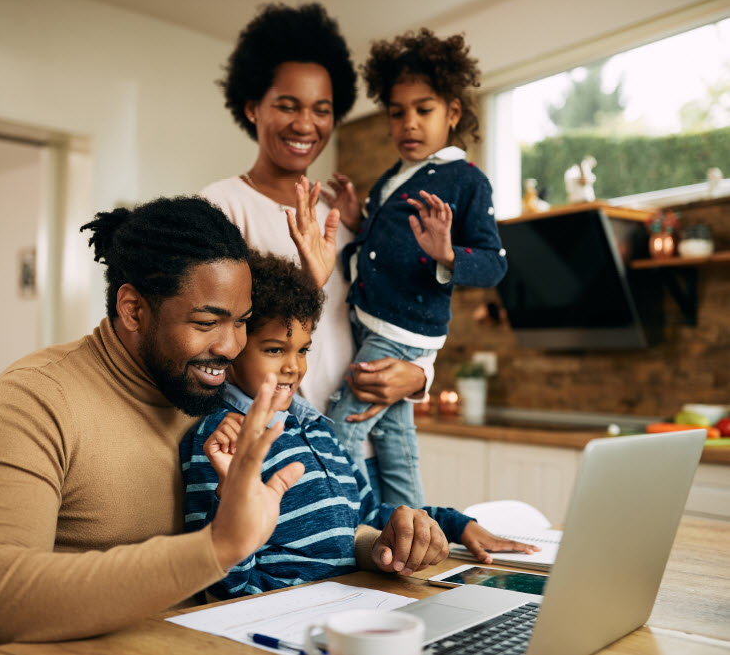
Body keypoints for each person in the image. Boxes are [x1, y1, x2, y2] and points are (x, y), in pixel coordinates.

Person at [0, 196, 476, 652]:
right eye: (206, 322)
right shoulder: (35, 400)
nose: (230, 346)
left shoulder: (225, 397)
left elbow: (281, 531)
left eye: (240, 323)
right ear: (133, 309)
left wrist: (378, 543)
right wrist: (214, 549)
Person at [180, 251, 536, 599]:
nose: (294, 367)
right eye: (274, 350)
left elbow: (365, 515)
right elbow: (218, 586)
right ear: (234, 348)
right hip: (275, 615)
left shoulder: (317, 429)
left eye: (303, 350)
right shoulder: (220, 440)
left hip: (353, 600)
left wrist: (457, 525)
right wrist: (230, 495)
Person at [201, 3, 432, 427]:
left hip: (363, 436)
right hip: (275, 442)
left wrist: (419, 375)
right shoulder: (221, 207)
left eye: (321, 109)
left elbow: (398, 309)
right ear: (253, 107)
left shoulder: (342, 215)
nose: (306, 124)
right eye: (288, 105)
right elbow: (206, 339)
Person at [325, 30, 508, 507]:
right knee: (393, 438)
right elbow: (385, 246)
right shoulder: (392, 177)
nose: (409, 123)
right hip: (372, 320)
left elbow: (493, 264)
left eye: (423, 110)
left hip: (402, 327)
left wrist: (449, 255)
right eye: (397, 111)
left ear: (452, 112)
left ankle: (341, 526)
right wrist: (356, 220)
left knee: (343, 427)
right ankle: (411, 525)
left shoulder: (467, 181)